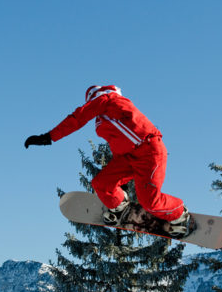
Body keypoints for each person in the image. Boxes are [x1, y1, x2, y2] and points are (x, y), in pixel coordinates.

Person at [24, 85, 192, 237]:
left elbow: (77, 118)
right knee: (102, 183)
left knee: (149, 200)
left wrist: (48, 137)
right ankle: (119, 206)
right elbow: (121, 144)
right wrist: (119, 180)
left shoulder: (106, 100)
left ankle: (179, 213)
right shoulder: (106, 117)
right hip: (128, 157)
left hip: (150, 151)